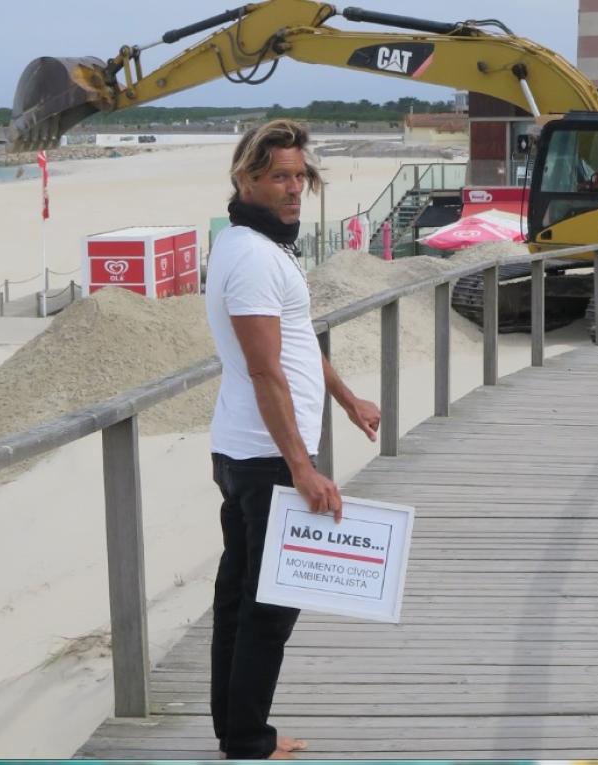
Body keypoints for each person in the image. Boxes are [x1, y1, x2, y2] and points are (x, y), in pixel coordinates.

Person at [205, 119, 381, 760]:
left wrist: (348, 398)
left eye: (299, 177)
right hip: (264, 457)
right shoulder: (252, 256)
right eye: (278, 176)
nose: (292, 189)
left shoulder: (253, 244)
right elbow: (264, 369)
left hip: (247, 449)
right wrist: (302, 467)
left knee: (239, 595)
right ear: (245, 178)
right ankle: (249, 739)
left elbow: (298, 343)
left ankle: (235, 730)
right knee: (270, 606)